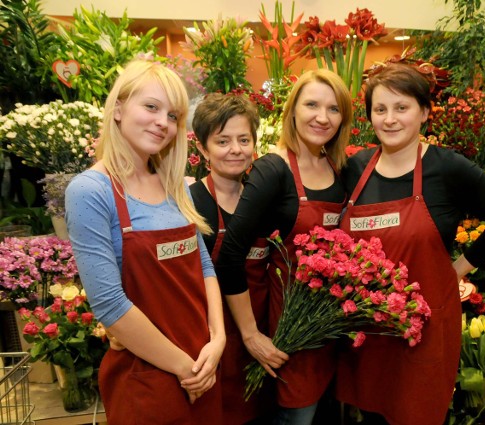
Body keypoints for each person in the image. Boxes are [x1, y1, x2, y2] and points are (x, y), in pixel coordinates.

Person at [336, 63, 485, 425]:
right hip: (367, 333)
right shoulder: (356, 168)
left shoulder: (448, 169)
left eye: (401, 108)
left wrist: (458, 268)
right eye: (380, 109)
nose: (390, 119)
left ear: (423, 112)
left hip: (422, 331)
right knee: (370, 413)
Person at [65, 60, 225, 424]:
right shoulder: (91, 191)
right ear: (118, 109)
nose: (162, 123)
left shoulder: (175, 186)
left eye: (172, 115)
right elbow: (110, 307)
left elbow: (203, 267)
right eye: (151, 107)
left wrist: (217, 341)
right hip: (151, 376)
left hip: (204, 367)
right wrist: (185, 368)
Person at [215, 69, 353, 425]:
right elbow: (230, 255)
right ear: (292, 110)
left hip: (328, 328)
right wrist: (250, 335)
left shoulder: (341, 169)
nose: (322, 117)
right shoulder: (273, 170)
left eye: (333, 109)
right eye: (311, 104)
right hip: (287, 330)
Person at [189, 93, 275, 424]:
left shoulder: (264, 199)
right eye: (222, 141)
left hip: (261, 336)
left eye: (243, 139)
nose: (235, 149)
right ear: (202, 148)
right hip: (213, 342)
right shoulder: (191, 204)